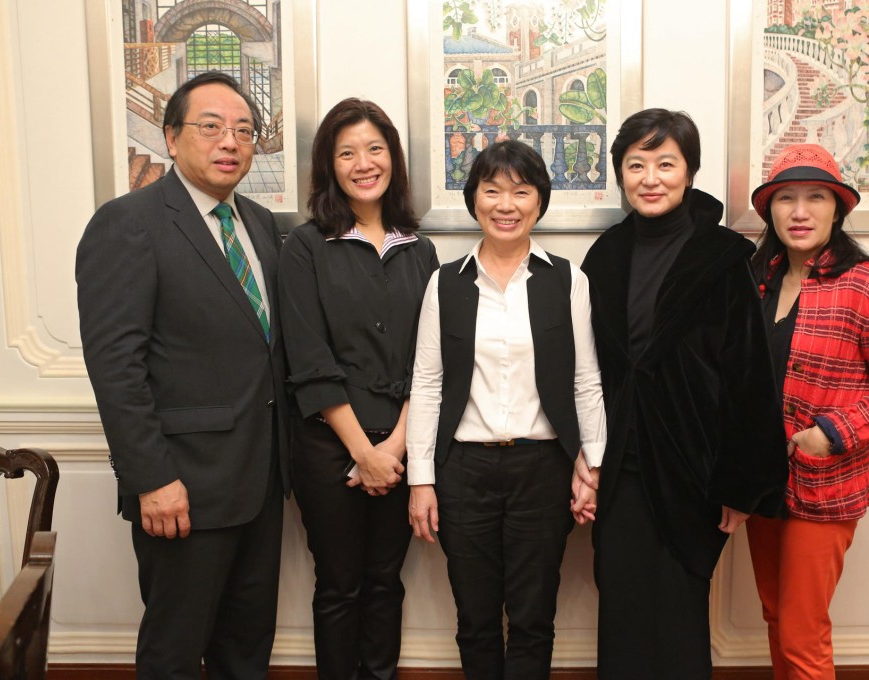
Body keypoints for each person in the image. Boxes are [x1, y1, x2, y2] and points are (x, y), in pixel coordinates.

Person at [76, 71, 289, 679]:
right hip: (183, 489)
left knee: (246, 650)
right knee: (174, 650)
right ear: (171, 138)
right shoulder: (128, 223)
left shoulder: (259, 224)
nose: (231, 142)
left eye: (244, 131)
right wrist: (153, 479)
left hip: (261, 481)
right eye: (212, 127)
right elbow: (116, 366)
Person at [580, 108, 788, 679]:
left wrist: (743, 486)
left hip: (693, 465)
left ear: (689, 172)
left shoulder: (722, 257)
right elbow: (588, 369)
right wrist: (585, 458)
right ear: (621, 173)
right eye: (637, 164)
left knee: (677, 614)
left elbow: (750, 376)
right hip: (620, 461)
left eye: (665, 163)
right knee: (621, 604)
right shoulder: (605, 256)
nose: (651, 177)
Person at [406, 140, 606, 680]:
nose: (506, 204)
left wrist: (592, 465)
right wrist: (421, 480)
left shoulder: (567, 280)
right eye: (492, 190)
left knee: (533, 616)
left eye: (521, 191)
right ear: (474, 200)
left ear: (539, 202)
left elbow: (586, 381)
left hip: (542, 469)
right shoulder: (445, 282)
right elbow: (426, 384)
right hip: (462, 471)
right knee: (474, 618)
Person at [745, 143, 869, 679]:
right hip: (759, 480)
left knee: (803, 632)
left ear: (837, 208)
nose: (800, 212)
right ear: (770, 210)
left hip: (823, 484)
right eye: (787, 198)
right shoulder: (756, 280)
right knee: (777, 615)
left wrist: (833, 432)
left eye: (815, 197)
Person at [278, 98, 438, 680]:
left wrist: (393, 449)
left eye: (375, 149)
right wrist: (362, 452)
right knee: (340, 585)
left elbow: (430, 361)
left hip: (402, 446)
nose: (363, 163)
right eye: (347, 152)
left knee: (384, 583)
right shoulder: (304, 247)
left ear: (392, 158)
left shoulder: (419, 250)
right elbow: (308, 358)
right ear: (329, 165)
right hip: (328, 445)